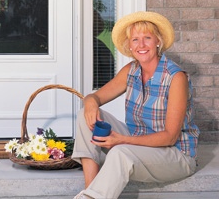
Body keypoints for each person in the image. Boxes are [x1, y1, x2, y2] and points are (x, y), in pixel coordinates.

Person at [72, 11, 200, 199]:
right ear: (129, 45)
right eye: (135, 40)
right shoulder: (130, 71)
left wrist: (121, 140)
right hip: (138, 141)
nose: (141, 45)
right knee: (86, 115)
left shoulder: (175, 77)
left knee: (120, 153)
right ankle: (91, 189)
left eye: (147, 38)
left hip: (175, 154)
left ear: (158, 41)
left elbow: (169, 137)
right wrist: (91, 103)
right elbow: (94, 97)